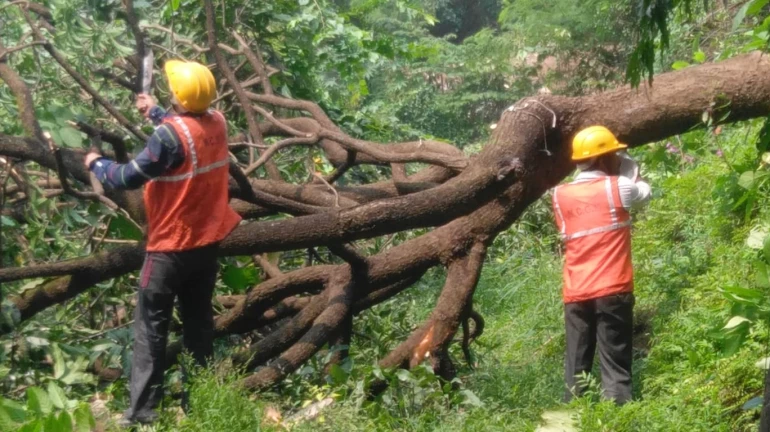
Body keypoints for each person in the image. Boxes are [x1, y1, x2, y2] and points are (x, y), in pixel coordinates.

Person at [84, 59, 241, 427]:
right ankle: (199, 405)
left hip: (170, 248)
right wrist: (153, 111)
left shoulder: (168, 137)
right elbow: (187, 137)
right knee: (198, 326)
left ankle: (142, 413)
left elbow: (126, 177)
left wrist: (95, 163)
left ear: (178, 95)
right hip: (206, 244)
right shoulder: (217, 122)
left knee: (150, 329)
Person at [551, 125, 651, 405]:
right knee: (615, 361)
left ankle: (572, 413)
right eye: (614, 155)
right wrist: (631, 169)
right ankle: (617, 414)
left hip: (576, 291)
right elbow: (645, 193)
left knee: (575, 365)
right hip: (612, 287)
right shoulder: (618, 187)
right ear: (604, 158)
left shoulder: (560, 195)